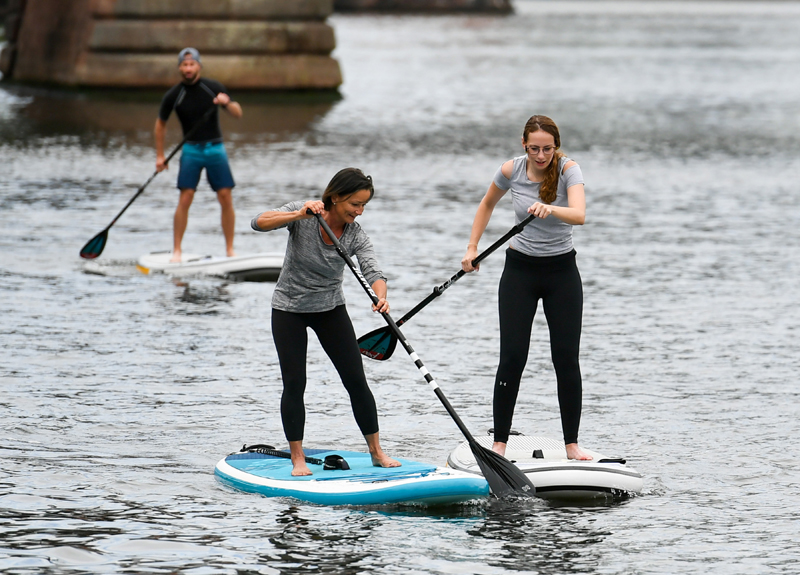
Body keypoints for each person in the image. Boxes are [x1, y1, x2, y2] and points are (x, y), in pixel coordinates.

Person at [251, 168, 401, 476]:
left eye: (363, 206)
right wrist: (299, 215)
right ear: (334, 197)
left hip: (330, 309)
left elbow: (374, 271)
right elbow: (258, 222)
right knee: (295, 383)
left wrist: (380, 296)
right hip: (288, 310)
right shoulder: (304, 214)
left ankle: (376, 452)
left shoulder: (355, 234)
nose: (358, 212)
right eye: (354, 204)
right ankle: (297, 457)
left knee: (356, 381)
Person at [461, 115, 592, 461]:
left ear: (556, 146)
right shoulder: (511, 170)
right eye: (534, 148)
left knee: (566, 358)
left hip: (562, 273)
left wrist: (550, 208)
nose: (540, 155)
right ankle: (500, 443)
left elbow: (579, 214)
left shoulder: (568, 171)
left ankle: (572, 445)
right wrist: (472, 248)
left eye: (547, 149)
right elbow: (487, 204)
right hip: (519, 271)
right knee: (513, 356)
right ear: (524, 145)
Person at [154, 47, 243, 263]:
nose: (188, 68)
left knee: (225, 197)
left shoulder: (213, 88)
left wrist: (226, 103)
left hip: (215, 149)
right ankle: (177, 250)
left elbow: (238, 113)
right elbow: (160, 125)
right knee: (185, 198)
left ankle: (230, 249)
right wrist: (160, 156)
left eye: (192, 64)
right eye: (184, 65)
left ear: (199, 66)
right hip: (191, 150)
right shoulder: (174, 95)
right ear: (179, 68)